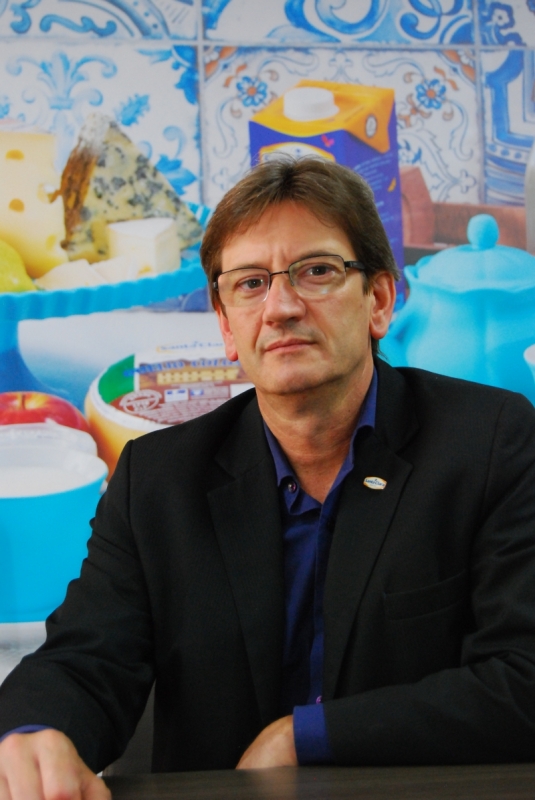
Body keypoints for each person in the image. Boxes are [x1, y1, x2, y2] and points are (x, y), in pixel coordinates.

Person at [1, 156, 535, 799]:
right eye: (250, 283)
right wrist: (35, 732)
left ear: (380, 301)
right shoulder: (158, 479)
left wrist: (307, 737)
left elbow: (524, 677)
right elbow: (86, 659)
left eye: (317, 271)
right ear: (226, 326)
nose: (280, 307)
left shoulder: (492, 441)